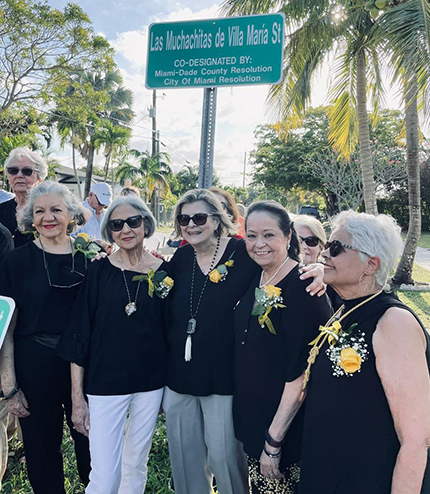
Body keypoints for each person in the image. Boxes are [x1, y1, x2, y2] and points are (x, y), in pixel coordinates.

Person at [163, 190, 325, 494]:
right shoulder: (182, 257)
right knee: (185, 462)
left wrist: (320, 269)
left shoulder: (243, 253)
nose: (191, 224)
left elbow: (284, 268)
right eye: (184, 219)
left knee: (225, 459)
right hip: (180, 376)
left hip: (225, 378)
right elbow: (154, 281)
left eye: (199, 217)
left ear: (216, 218)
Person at [296, 211, 429, 493]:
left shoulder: (394, 323)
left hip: (367, 480)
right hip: (328, 472)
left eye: (336, 248)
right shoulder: (347, 306)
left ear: (371, 264)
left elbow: (416, 438)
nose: (325, 254)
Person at [58, 196, 170, 494]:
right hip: (105, 384)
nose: (126, 229)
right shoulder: (99, 269)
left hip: (150, 383)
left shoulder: (163, 271)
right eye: (117, 224)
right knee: (105, 475)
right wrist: (77, 398)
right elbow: (79, 334)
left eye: (133, 221)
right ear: (110, 231)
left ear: (146, 223)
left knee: (135, 466)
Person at [233, 201, 332, 493]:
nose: (258, 244)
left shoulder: (305, 288)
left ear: (288, 237)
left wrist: (273, 442)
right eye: (251, 235)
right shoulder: (255, 276)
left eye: (268, 235)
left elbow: (303, 373)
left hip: (285, 432)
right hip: (254, 420)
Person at [0, 181, 91, 494]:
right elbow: (6, 327)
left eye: (56, 210)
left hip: (84, 365)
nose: (47, 217)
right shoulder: (14, 262)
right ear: (30, 217)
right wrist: (9, 387)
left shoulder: (89, 260)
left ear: (70, 215)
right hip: (33, 365)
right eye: (39, 211)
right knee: (41, 453)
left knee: (92, 447)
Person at [0, 147, 47, 248]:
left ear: (40, 179)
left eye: (27, 171)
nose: (19, 175)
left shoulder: (49, 213)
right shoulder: (1, 210)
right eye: (13, 170)